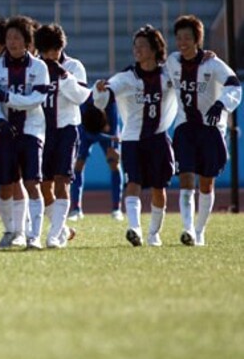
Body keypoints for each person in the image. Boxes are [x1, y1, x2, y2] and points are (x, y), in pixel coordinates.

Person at [93, 25, 177, 247]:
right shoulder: (126, 76)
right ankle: (135, 228)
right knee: (134, 182)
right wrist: (100, 90)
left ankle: (154, 233)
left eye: (143, 46)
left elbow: (192, 77)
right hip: (132, 138)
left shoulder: (169, 74)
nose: (137, 50)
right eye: (135, 45)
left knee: (160, 188)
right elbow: (105, 95)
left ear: (155, 49)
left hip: (159, 138)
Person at [166, 15, 241, 246]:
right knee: (186, 178)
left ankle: (199, 231)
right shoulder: (172, 61)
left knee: (207, 183)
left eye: (187, 37)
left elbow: (234, 85)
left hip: (211, 130)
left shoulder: (212, 64)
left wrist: (222, 104)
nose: (182, 42)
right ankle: (188, 228)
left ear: (197, 39)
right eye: (179, 38)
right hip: (184, 128)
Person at [0, 16, 50, 250]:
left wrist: (7, 98)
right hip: (4, 134)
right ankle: (11, 231)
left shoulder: (39, 67)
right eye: (9, 37)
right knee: (5, 185)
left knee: (32, 183)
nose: (12, 42)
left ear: (27, 41)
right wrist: (0, 121)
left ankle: (33, 236)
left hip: (32, 131)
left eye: (17, 37)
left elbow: (37, 100)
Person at [34, 24, 90, 248]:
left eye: (54, 50)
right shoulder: (35, 67)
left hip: (66, 129)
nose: (50, 56)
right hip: (41, 130)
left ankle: (54, 236)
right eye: (46, 51)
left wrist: (64, 76)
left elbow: (81, 97)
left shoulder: (73, 65)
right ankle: (63, 229)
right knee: (42, 185)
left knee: (62, 181)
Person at [69, 96, 124, 221]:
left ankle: (117, 209)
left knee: (114, 163)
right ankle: (76, 209)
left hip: (107, 133)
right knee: (78, 164)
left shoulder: (110, 102)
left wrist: (113, 146)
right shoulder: (84, 102)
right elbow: (82, 130)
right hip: (86, 132)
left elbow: (114, 128)